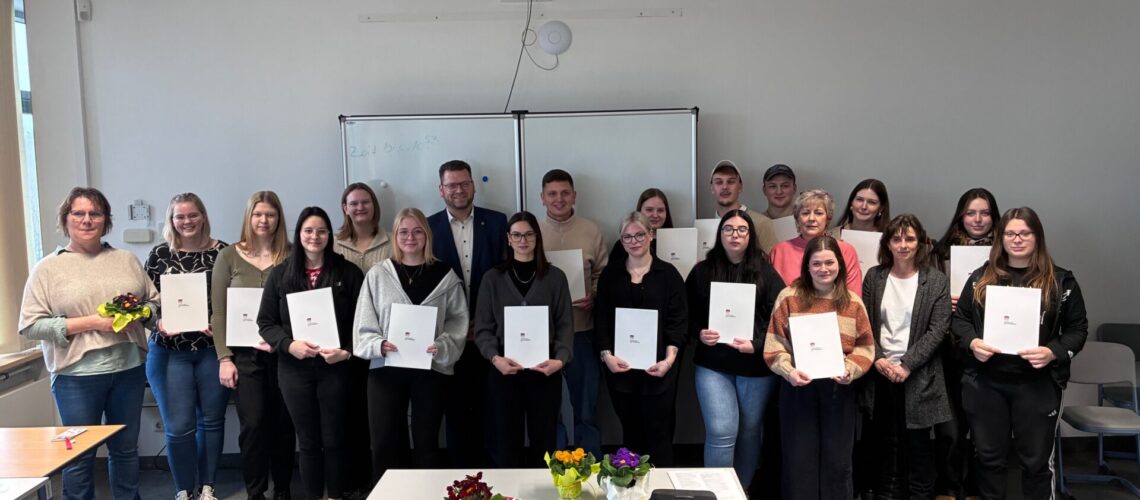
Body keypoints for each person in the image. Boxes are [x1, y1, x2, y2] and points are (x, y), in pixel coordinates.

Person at [18, 187, 159, 500]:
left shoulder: (126, 260)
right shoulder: (47, 269)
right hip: (75, 376)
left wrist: (143, 312)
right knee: (79, 456)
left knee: (125, 451)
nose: (87, 220)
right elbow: (30, 325)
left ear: (106, 220)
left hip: (129, 369)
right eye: (78, 213)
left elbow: (153, 305)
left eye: (95, 213)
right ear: (65, 219)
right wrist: (93, 323)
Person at [951, 207, 1087, 499]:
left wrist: (1053, 352)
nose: (1017, 239)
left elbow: (1078, 329)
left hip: (1037, 384)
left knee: (1036, 464)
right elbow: (959, 320)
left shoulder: (1061, 281)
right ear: (1001, 238)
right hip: (986, 383)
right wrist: (973, 343)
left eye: (1025, 233)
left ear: (1037, 237)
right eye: (1010, 233)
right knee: (988, 460)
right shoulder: (980, 278)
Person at [353, 208, 469, 478]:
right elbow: (364, 321)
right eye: (403, 231)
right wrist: (377, 344)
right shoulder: (379, 274)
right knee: (385, 441)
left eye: (417, 231)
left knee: (427, 440)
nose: (410, 237)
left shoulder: (445, 275)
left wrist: (442, 345)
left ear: (427, 235)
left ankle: (425, 493)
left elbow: (457, 321)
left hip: (430, 370)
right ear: (395, 236)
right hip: (385, 369)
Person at [258, 207, 365, 500]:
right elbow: (265, 323)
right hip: (294, 370)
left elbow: (365, 322)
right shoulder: (280, 275)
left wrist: (347, 352)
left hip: (336, 368)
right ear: (299, 234)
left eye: (321, 231)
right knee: (307, 442)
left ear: (330, 235)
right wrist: (289, 345)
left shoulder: (348, 272)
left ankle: (335, 496)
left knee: (334, 440)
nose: (314, 237)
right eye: (308, 231)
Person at [764, 235, 875, 500]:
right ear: (807, 266)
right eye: (816, 264)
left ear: (840, 265)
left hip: (839, 390)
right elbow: (774, 345)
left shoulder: (853, 302)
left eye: (829, 263)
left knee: (837, 464)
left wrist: (850, 370)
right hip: (798, 389)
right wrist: (788, 371)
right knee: (799, 462)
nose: (823, 269)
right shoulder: (788, 297)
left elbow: (866, 347)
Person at [685, 209, 785, 488]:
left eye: (742, 229)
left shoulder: (766, 272)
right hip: (713, 365)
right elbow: (685, 315)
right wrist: (698, 333)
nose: (735, 235)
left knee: (750, 431)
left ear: (750, 235)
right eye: (728, 229)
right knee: (721, 431)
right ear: (720, 234)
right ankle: (717, 493)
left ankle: (741, 490)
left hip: (756, 367)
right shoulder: (702, 271)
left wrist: (756, 344)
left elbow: (781, 318)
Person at [858, 214, 952, 499]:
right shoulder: (875, 277)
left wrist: (908, 364)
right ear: (887, 243)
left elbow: (939, 329)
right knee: (886, 445)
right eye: (896, 239)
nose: (903, 245)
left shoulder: (935, 281)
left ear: (921, 242)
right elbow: (865, 324)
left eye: (909, 238)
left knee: (919, 447)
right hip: (881, 372)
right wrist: (878, 357)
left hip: (919, 375)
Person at [143, 193, 229, 500]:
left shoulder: (223, 253)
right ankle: (183, 490)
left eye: (193, 215)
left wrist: (222, 322)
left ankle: (208, 487)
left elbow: (236, 299)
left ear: (203, 216)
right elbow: (144, 303)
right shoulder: (158, 255)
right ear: (171, 220)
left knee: (212, 421)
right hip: (169, 353)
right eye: (180, 216)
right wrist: (157, 322)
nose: (187, 221)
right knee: (179, 427)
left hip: (211, 350)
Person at [209, 191, 294, 500]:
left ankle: (282, 489)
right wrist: (224, 358)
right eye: (258, 214)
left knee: (284, 425)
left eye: (270, 214)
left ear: (278, 218)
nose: (263, 220)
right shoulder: (228, 256)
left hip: (285, 355)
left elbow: (301, 307)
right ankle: (256, 492)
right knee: (254, 426)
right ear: (249, 216)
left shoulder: (292, 255)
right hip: (244, 358)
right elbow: (218, 312)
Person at [474, 211, 574, 468]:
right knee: (507, 442)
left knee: (545, 442)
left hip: (545, 372)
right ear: (508, 239)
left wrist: (560, 361)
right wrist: (495, 358)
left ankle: (544, 493)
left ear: (537, 238)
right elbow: (483, 329)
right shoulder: (492, 279)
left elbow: (565, 326)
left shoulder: (555, 278)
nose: (523, 240)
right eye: (516, 235)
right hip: (504, 373)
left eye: (529, 234)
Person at [426, 160, 508, 468]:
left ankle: (496, 478)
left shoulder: (498, 222)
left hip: (491, 336)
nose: (459, 190)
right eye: (452, 185)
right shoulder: (428, 227)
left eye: (464, 183)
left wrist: (484, 324)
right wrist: (459, 327)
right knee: (456, 412)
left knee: (494, 412)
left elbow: (505, 278)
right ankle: (462, 480)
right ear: (441, 189)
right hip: (448, 337)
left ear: (473, 185)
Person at [595, 212, 687, 466]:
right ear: (621, 241)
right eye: (627, 237)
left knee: (660, 435)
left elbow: (678, 323)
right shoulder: (610, 275)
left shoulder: (669, 275)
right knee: (631, 433)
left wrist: (669, 361)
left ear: (651, 235)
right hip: (620, 371)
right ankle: (631, 489)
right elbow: (600, 319)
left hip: (659, 370)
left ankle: (660, 490)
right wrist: (606, 356)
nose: (634, 241)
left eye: (639, 235)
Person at [931, 187, 998, 500]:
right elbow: (926, 298)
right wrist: (947, 299)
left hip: (990, 351)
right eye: (971, 212)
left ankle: (976, 489)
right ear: (960, 215)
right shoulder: (939, 253)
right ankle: (950, 486)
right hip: (948, 350)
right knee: (951, 426)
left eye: (984, 213)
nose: (978, 219)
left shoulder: (1006, 253)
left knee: (983, 427)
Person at [536, 169, 607, 458]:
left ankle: (589, 468)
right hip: (545, 338)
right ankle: (556, 469)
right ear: (542, 198)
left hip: (582, 332)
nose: (559, 199)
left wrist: (595, 295)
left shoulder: (591, 230)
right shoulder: (533, 232)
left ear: (574, 195)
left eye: (565, 193)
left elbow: (604, 273)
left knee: (585, 406)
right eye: (552, 194)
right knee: (550, 409)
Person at [769, 189, 864, 293]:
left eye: (818, 213)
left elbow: (853, 298)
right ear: (797, 218)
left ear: (828, 218)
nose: (811, 218)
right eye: (805, 213)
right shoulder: (779, 251)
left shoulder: (845, 250)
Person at [709, 160, 778, 252]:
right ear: (712, 188)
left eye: (731, 182)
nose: (725, 187)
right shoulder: (705, 226)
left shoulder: (761, 223)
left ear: (740, 187)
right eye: (719, 182)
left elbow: (773, 262)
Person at [334, 182, 392, 271]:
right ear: (345, 209)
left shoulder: (394, 242)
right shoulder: (333, 244)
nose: (360, 208)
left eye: (365, 202)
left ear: (374, 205)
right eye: (354, 203)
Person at [608, 188, 674, 264]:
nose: (655, 215)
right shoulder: (624, 244)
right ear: (639, 211)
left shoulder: (678, 242)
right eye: (649, 210)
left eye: (660, 210)